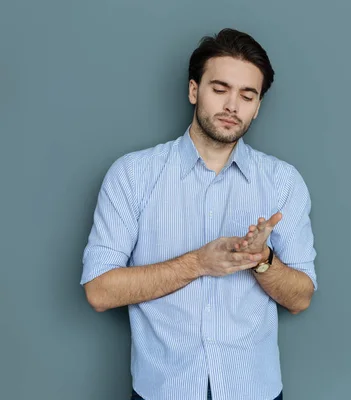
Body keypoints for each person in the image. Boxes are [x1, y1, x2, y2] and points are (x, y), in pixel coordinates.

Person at [80, 28, 318, 400]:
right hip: (162, 391)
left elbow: (301, 298)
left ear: (257, 108)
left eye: (247, 95)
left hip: (254, 390)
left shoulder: (282, 182)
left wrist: (262, 261)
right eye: (219, 89)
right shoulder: (132, 175)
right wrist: (199, 263)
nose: (232, 106)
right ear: (194, 90)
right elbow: (98, 290)